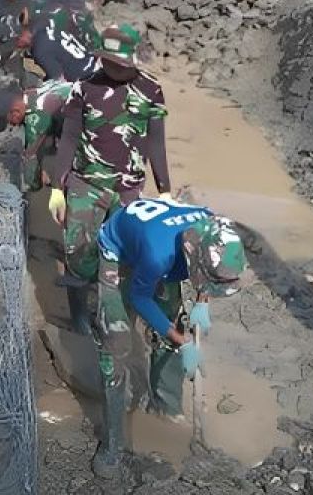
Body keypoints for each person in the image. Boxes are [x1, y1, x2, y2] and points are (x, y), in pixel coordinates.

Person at [92, 197, 249, 476]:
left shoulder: (210, 225)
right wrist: (183, 341)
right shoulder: (157, 254)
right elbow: (140, 299)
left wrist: (201, 303)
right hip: (117, 247)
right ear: (193, 255)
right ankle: (112, 446)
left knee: (172, 322)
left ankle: (165, 407)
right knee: (116, 339)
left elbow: (206, 273)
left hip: (163, 248)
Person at [51, 24, 171, 335]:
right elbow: (68, 137)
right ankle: (79, 319)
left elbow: (157, 144)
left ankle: (120, 325)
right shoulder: (84, 88)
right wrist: (56, 188)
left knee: (126, 260)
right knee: (78, 255)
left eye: (119, 63)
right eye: (107, 61)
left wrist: (166, 191)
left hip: (129, 189)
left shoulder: (151, 90)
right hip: (85, 184)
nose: (112, 67)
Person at [0, 79, 75, 193]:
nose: (12, 125)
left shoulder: (35, 118)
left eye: (9, 121)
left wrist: (38, 180)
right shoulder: (37, 91)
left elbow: (30, 159)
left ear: (15, 112)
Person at [14, 7, 100, 83]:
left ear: (20, 38)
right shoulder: (45, 22)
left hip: (84, 77)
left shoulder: (40, 50)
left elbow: (58, 78)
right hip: (94, 61)